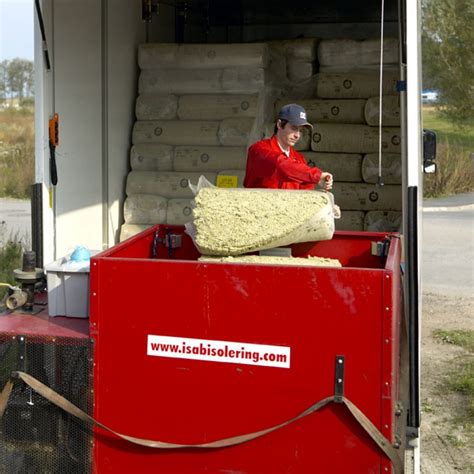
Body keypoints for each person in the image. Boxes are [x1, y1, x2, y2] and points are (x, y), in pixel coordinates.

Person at [244, 103, 333, 190]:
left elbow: (306, 194)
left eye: (300, 130)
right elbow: (280, 165)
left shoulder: (299, 159)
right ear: (279, 124)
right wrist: (317, 175)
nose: (297, 135)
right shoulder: (259, 150)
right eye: (294, 128)